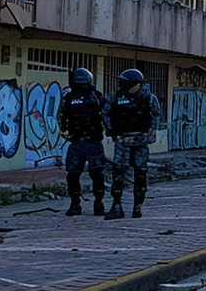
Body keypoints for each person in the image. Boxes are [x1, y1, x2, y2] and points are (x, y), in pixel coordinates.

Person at [102, 68, 161, 219]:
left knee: (140, 175)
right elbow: (106, 113)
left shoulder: (148, 98)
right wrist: (111, 130)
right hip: (122, 141)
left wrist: (151, 131)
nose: (123, 85)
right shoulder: (117, 97)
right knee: (118, 173)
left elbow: (156, 115)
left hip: (140, 142)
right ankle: (116, 206)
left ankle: (137, 207)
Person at [57, 67, 106, 216]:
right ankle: (75, 204)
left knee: (97, 174)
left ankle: (98, 203)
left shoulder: (96, 96)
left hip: (93, 141)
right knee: (72, 174)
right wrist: (66, 133)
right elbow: (61, 116)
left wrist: (106, 131)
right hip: (77, 142)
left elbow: (106, 115)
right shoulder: (69, 97)